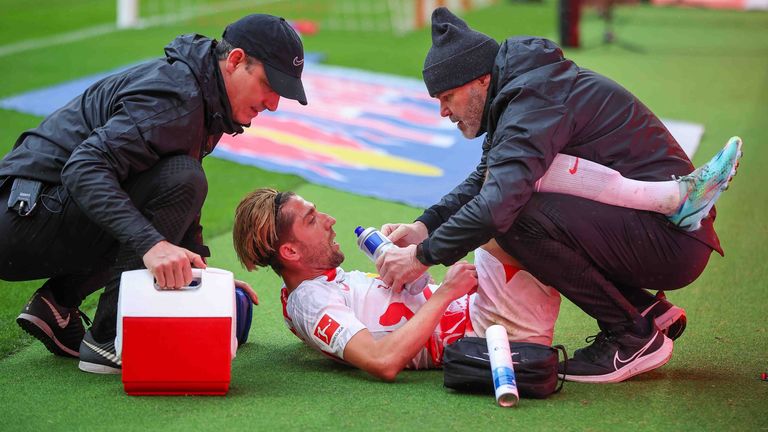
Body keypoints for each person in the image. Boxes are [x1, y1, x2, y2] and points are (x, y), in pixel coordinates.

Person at [375, 7, 743, 383]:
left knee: (513, 216)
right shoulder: (522, 90)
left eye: (447, 96)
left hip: (672, 239)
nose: (442, 111)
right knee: (512, 200)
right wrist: (424, 226)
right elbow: (483, 180)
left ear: (481, 80)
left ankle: (631, 336)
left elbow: (495, 206)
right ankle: (642, 310)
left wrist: (421, 258)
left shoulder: (533, 99)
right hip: (662, 231)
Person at [231, 147, 737, 380]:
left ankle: (641, 307)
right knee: (511, 204)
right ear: (290, 252)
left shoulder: (325, 283)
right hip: (485, 330)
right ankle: (665, 217)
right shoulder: (309, 301)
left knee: (519, 190)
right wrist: (445, 288)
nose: (331, 219)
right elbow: (382, 360)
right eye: (314, 219)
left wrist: (410, 261)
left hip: (476, 311)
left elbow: (394, 312)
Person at [0, 14, 304, 374]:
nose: (273, 104)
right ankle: (110, 337)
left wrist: (201, 273)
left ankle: (56, 306)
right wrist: (152, 245)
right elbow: (83, 169)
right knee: (183, 180)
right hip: (22, 218)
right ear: (236, 60)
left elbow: (171, 200)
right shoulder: (178, 97)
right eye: (270, 85)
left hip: (33, 211)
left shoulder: (205, 94)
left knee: (179, 182)